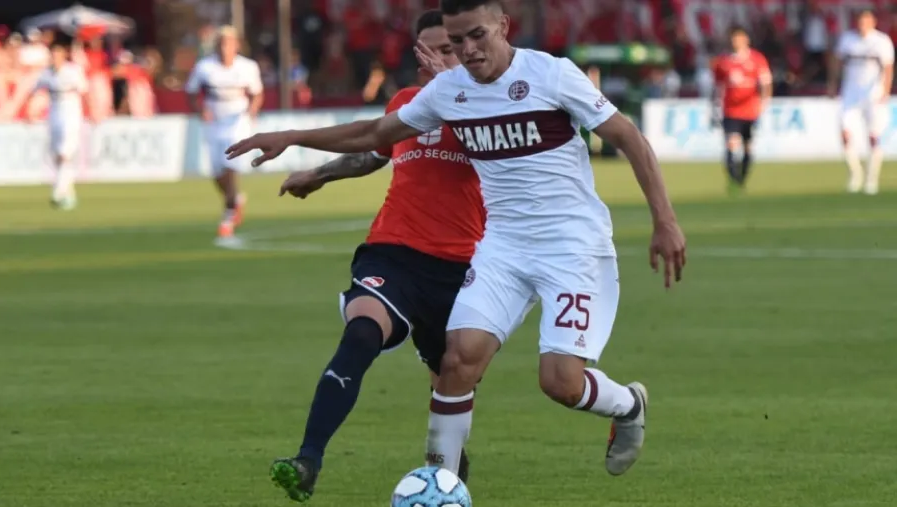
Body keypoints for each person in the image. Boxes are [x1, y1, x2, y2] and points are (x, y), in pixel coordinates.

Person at [227, 0, 686, 480]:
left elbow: (628, 136)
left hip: (572, 247)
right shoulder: (449, 92)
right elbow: (375, 133)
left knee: (560, 384)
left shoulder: (552, 75)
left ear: (503, 27)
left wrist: (665, 220)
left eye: (476, 36)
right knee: (457, 361)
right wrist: (294, 135)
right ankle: (441, 483)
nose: (468, 50)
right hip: (502, 248)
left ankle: (628, 404)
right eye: (457, 39)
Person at [268, 10, 489, 502]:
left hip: (462, 268)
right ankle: (307, 459)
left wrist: (456, 89)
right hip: (393, 252)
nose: (435, 61)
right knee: (363, 331)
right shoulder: (407, 102)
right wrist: (321, 173)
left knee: (451, 384)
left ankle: (448, 472)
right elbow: (374, 151)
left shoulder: (491, 106)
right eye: (426, 52)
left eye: (447, 50)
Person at [185, 25, 263, 240]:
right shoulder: (204, 67)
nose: (224, 48)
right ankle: (236, 199)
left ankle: (228, 214)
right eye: (221, 43)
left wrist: (251, 111)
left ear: (236, 45)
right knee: (216, 172)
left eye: (228, 43)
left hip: (238, 119)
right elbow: (191, 92)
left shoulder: (247, 67)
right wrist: (201, 111)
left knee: (230, 165)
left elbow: (257, 94)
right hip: (214, 119)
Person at [828, 9, 894, 196]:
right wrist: (833, 84)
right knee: (845, 133)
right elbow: (837, 63)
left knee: (873, 136)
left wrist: (886, 90)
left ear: (873, 22)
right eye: (860, 20)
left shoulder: (881, 41)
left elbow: (888, 67)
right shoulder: (847, 40)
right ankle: (855, 174)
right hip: (850, 94)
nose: (862, 24)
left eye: (866, 20)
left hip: (873, 95)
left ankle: (871, 179)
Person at [712, 25, 772, 195]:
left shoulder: (757, 59)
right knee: (731, 144)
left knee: (748, 148)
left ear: (746, 40)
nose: (736, 42)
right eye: (733, 39)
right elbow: (717, 87)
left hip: (751, 111)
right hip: (731, 111)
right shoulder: (723, 62)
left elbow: (765, 84)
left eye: (739, 39)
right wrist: (714, 107)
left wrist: (764, 102)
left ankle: (742, 180)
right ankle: (733, 180)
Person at [30, 37, 88, 210]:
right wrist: (31, 111)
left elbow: (84, 90)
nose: (55, 57)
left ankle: (57, 191)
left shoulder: (73, 70)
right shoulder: (46, 73)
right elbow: (34, 90)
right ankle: (68, 193)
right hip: (54, 110)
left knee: (65, 152)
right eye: (52, 54)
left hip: (70, 111)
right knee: (57, 154)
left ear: (64, 54)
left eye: (58, 53)